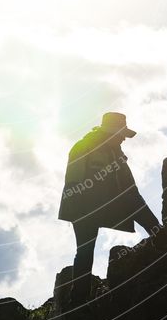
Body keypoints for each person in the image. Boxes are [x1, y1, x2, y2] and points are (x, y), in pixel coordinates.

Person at [58, 111, 161, 306]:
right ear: (112, 132)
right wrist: (81, 210)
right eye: (121, 134)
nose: (124, 138)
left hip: (102, 204)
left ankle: (161, 236)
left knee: (85, 251)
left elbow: (130, 190)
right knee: (85, 251)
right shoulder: (85, 147)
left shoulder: (115, 152)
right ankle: (78, 301)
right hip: (84, 209)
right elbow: (73, 182)